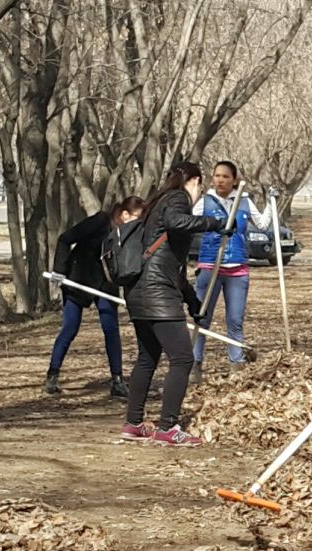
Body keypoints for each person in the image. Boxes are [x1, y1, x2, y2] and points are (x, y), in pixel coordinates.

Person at [121, 161, 229, 447]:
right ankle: (168, 427)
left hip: (139, 291)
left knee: (147, 358)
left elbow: (173, 268)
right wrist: (214, 224)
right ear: (193, 181)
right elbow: (176, 222)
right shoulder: (177, 198)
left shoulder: (156, 204)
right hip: (158, 294)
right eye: (200, 186)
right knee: (182, 358)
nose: (199, 193)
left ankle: (133, 424)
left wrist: (194, 304)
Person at [45, 196, 143, 398]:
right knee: (70, 327)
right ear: (125, 214)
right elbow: (65, 239)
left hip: (106, 284)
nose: (139, 223)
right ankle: (52, 375)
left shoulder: (131, 234)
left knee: (111, 328)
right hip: (79, 278)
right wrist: (59, 270)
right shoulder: (100, 222)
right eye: (137, 217)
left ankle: (117, 380)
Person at [191, 160, 274, 381]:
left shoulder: (244, 201)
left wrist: (271, 202)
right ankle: (194, 364)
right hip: (210, 266)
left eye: (226, 176)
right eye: (217, 176)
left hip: (237, 269)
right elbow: (188, 222)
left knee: (235, 320)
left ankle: (236, 364)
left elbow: (263, 224)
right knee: (201, 318)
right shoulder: (205, 201)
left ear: (234, 180)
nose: (220, 180)